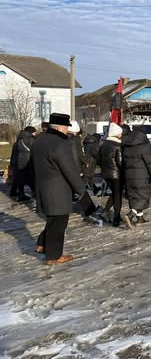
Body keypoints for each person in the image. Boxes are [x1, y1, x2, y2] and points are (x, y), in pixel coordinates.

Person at [31, 113, 86, 265]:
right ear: (59, 127)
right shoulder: (60, 143)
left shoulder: (39, 141)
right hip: (58, 189)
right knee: (59, 222)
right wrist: (80, 189)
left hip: (43, 186)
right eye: (66, 127)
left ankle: (42, 244)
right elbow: (69, 169)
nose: (67, 130)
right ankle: (54, 256)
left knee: (52, 219)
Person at [122, 128, 151, 224]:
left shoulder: (126, 148)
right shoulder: (144, 148)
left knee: (135, 197)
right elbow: (150, 164)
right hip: (142, 177)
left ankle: (140, 218)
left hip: (129, 177)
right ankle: (130, 215)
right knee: (144, 196)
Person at [99, 123, 126, 227]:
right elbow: (119, 162)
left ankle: (105, 211)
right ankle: (116, 217)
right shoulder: (117, 146)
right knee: (117, 196)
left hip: (106, 174)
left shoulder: (103, 145)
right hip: (116, 175)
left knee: (114, 193)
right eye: (120, 133)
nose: (121, 135)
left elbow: (98, 160)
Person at [13, 126, 37, 202]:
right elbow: (35, 150)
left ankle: (21, 194)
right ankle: (35, 193)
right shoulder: (31, 139)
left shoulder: (19, 139)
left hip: (19, 162)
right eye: (34, 132)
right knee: (31, 179)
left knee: (21, 180)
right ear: (31, 132)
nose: (35, 133)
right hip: (28, 162)